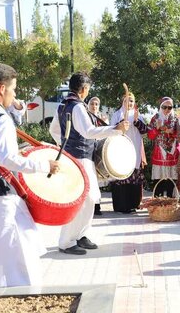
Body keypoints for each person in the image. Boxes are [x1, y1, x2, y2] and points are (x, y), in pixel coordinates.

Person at [0, 63, 60, 287]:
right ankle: (24, 298)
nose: (14, 94)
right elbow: (7, 159)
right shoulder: (2, 119)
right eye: (13, 89)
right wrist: (44, 165)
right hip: (1, 198)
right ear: (1, 88)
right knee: (19, 257)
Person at [50, 72, 128, 255]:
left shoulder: (63, 106)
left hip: (79, 157)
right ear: (84, 89)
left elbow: (53, 129)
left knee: (90, 197)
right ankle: (66, 241)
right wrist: (115, 129)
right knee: (80, 199)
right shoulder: (76, 107)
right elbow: (88, 131)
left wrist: (63, 145)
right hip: (79, 158)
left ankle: (80, 235)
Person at [110, 92, 148, 213]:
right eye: (127, 101)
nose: (129, 103)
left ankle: (133, 204)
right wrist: (121, 123)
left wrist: (136, 121)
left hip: (135, 149)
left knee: (134, 178)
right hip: (121, 150)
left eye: (131, 101)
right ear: (123, 102)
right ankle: (121, 206)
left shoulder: (138, 115)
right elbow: (111, 130)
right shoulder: (117, 114)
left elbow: (144, 131)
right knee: (121, 177)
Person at [147, 97, 179, 197]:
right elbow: (150, 135)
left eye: (169, 107)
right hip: (160, 152)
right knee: (159, 179)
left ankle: (171, 203)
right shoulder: (155, 118)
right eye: (164, 107)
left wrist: (172, 132)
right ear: (161, 107)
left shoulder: (176, 118)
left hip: (172, 153)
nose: (167, 110)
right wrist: (156, 129)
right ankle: (158, 204)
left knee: (171, 179)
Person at [86, 96, 109, 216]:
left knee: (96, 179)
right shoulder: (85, 117)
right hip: (88, 150)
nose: (94, 106)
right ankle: (90, 206)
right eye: (92, 104)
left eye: (96, 104)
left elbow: (105, 134)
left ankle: (97, 206)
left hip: (98, 150)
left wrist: (105, 124)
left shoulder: (101, 118)